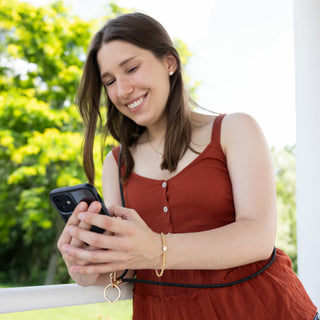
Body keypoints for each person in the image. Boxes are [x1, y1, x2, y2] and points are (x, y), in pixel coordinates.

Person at [57, 12, 318, 320]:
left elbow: (258, 238)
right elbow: (129, 264)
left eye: (132, 68)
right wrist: (85, 267)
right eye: (110, 81)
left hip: (262, 308)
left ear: (169, 62)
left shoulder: (235, 130)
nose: (122, 90)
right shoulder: (116, 163)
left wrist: (156, 247)